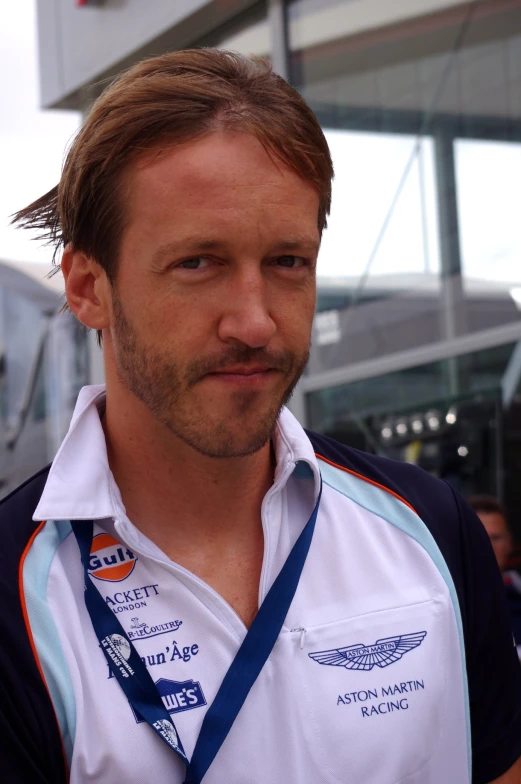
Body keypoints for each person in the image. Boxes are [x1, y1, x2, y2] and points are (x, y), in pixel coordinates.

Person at [1, 49, 520, 784]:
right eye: (197, 263)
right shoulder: (16, 595)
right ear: (89, 287)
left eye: (286, 262)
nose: (254, 322)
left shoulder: (430, 527)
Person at [467, 495, 521, 650]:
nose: (488, 546)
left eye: (495, 538)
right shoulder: (446, 605)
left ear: (509, 543)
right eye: (480, 537)